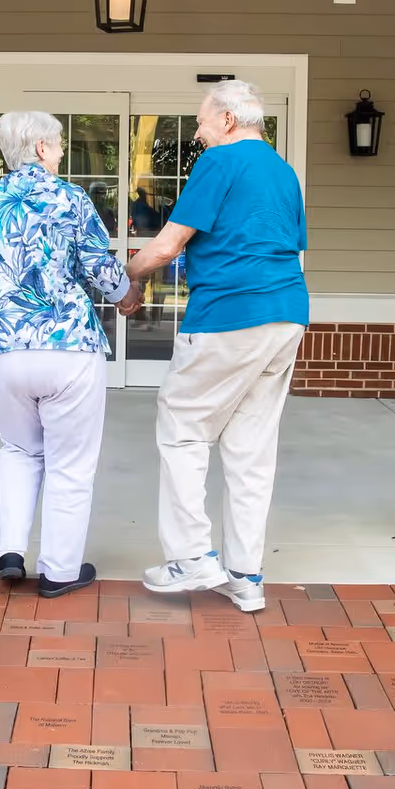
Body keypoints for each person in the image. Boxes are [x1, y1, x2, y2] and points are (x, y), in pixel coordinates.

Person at [125, 80, 308, 612]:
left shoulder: (220, 162)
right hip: (286, 316)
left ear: (227, 119)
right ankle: (246, 576)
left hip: (229, 314)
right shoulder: (283, 171)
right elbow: (286, 244)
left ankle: (189, 556)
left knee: (182, 426)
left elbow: (168, 244)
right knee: (251, 447)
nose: (199, 132)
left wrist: (127, 277)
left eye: (202, 122)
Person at [0, 111, 144, 598]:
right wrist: (127, 295)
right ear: (41, 147)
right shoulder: (69, 197)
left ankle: (10, 554)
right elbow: (97, 264)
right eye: (60, 144)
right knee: (69, 462)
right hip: (66, 347)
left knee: (19, 449)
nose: (62, 152)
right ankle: (60, 571)